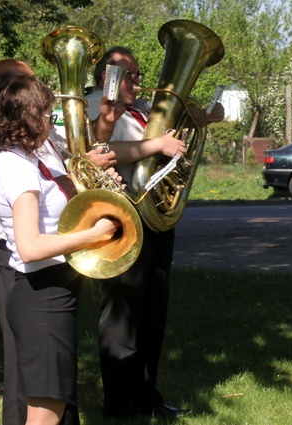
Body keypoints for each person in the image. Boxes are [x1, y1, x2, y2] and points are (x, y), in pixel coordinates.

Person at [85, 46, 224, 419]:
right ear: (107, 77)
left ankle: (148, 395)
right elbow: (102, 151)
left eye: (136, 76)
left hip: (155, 217)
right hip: (121, 219)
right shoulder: (95, 105)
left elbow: (179, 123)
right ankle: (119, 403)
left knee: (152, 311)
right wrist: (158, 143)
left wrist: (202, 119)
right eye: (130, 75)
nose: (137, 82)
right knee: (122, 314)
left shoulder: (143, 108)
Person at [0, 59, 117, 425]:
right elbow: (30, 246)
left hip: (51, 291)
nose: (50, 121)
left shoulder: (23, 157)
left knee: (58, 408)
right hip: (40, 296)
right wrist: (93, 235)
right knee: (45, 416)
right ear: (27, 117)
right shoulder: (18, 167)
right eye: (46, 114)